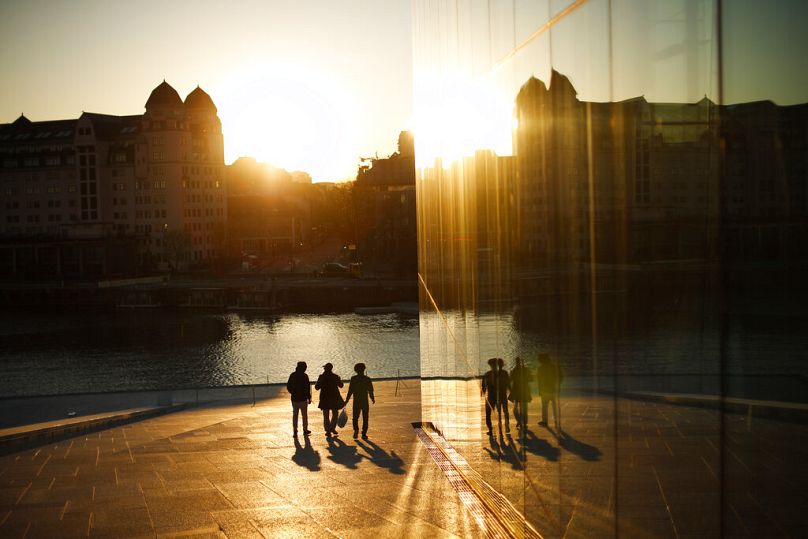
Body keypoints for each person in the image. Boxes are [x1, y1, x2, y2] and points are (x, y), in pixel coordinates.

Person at [343, 362, 375, 439]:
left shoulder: (353, 379)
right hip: (364, 401)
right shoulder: (367, 379)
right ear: (364, 369)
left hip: (356, 401)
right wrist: (372, 398)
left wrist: (346, 400)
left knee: (355, 417)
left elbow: (350, 390)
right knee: (365, 418)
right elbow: (370, 390)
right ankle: (364, 434)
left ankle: (356, 430)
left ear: (355, 370)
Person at [482, 357, 510, 435]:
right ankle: (504, 426)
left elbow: (483, 386)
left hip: (492, 397)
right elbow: (508, 384)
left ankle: (493, 429)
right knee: (502, 412)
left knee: (491, 413)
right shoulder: (504, 373)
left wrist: (483, 391)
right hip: (500, 396)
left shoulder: (488, 374)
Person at [315, 362, 344, 436]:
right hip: (334, 397)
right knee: (335, 414)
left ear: (325, 369)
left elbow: (317, 387)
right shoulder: (335, 376)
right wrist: (339, 379)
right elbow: (341, 385)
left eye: (324, 368)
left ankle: (328, 430)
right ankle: (332, 428)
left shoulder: (322, 377)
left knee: (326, 415)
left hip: (325, 398)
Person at [536, 353, 564, 430]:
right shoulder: (554, 367)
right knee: (554, 405)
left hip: (545, 390)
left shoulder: (540, 368)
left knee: (545, 406)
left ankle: (545, 421)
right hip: (553, 389)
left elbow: (539, 380)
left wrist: (539, 390)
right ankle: (556, 420)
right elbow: (560, 377)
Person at [286, 361, 312, 437]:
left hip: (294, 398)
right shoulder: (305, 376)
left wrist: (293, 392)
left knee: (295, 415)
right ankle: (305, 429)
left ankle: (295, 430)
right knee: (304, 415)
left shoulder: (292, 375)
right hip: (303, 399)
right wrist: (309, 397)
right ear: (303, 368)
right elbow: (307, 388)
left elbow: (288, 386)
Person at [508, 356, 533, 430]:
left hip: (517, 390)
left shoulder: (514, 370)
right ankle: (524, 423)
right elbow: (531, 379)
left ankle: (520, 421)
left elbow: (510, 379)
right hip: (524, 390)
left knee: (516, 408)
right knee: (524, 408)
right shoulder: (525, 369)